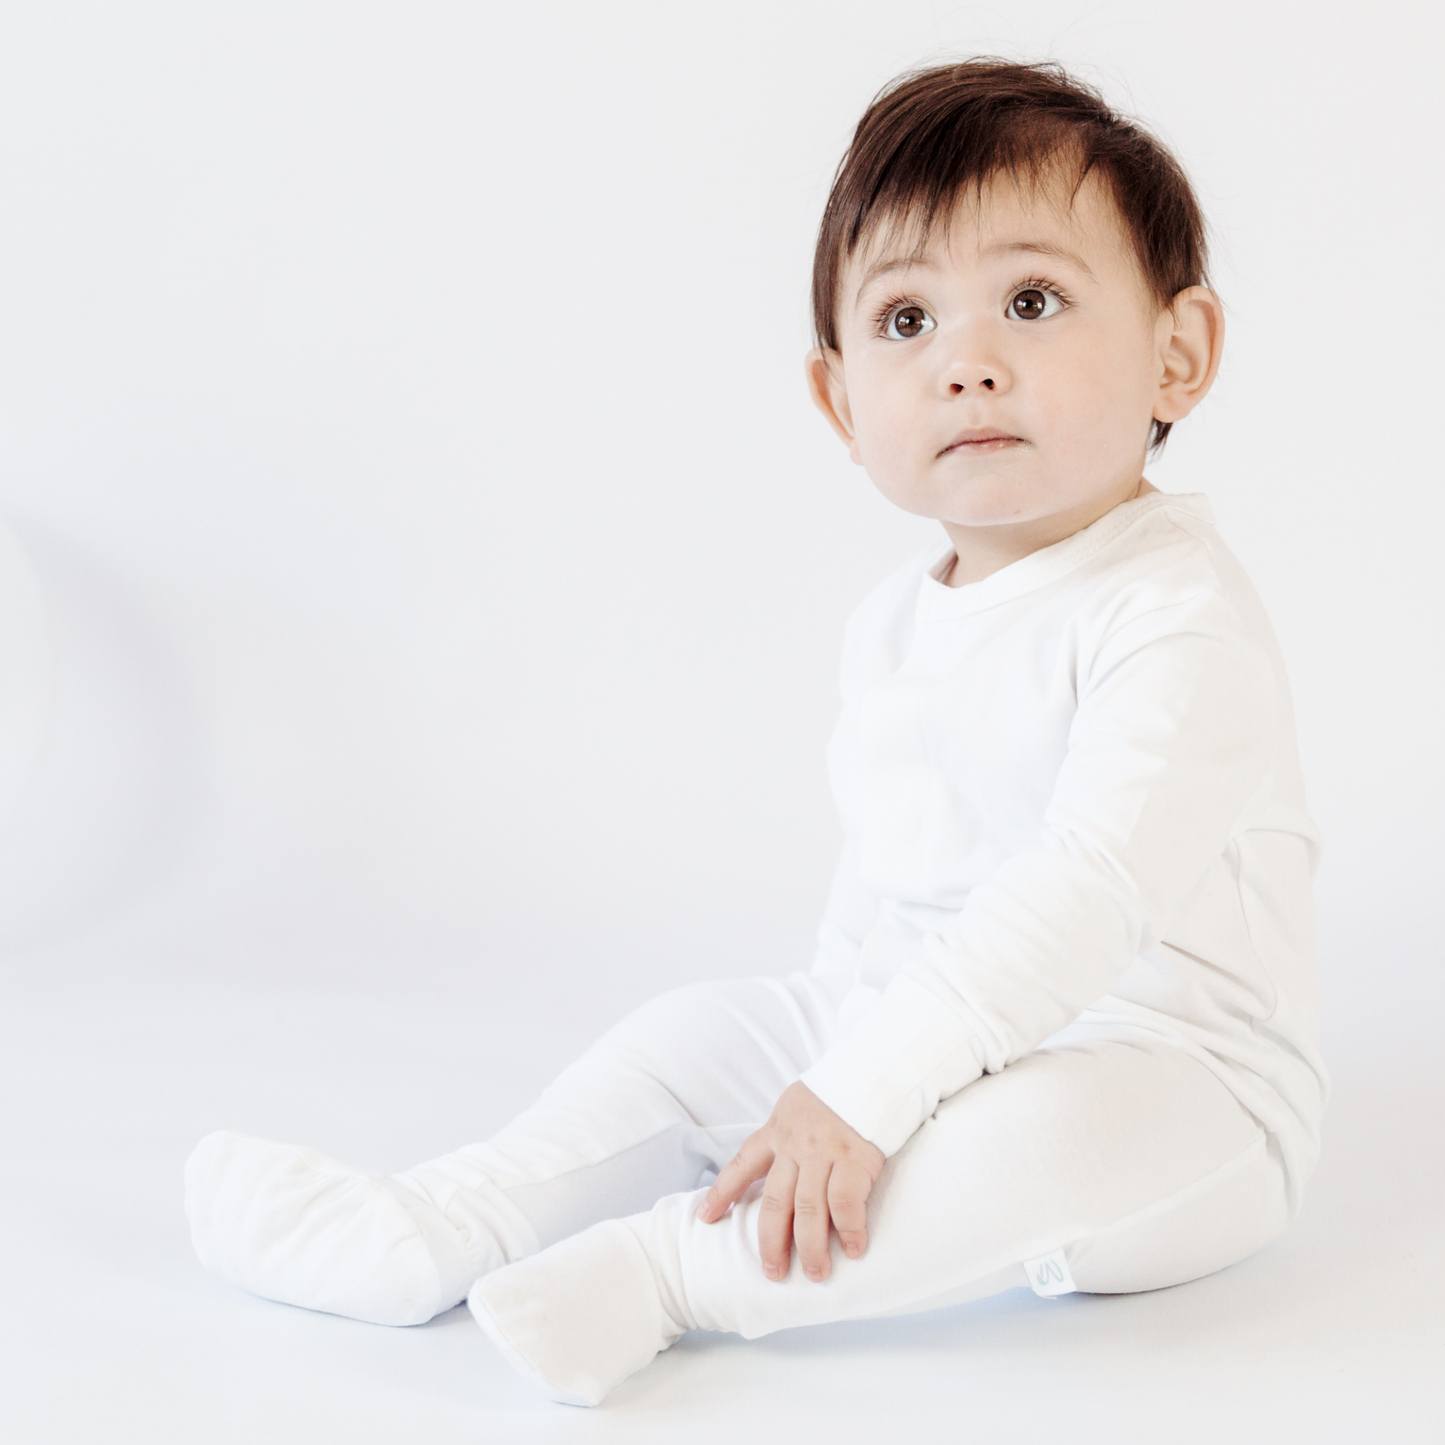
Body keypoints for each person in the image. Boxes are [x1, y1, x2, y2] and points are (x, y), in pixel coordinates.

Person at [185, 59, 1326, 1407]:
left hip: (1177, 1084)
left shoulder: (1172, 617)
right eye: (906, 319)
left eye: (1032, 300)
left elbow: (1083, 893)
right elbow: (884, 902)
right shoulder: (896, 623)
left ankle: (670, 1276)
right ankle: (447, 1216)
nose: (968, 362)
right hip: (918, 1016)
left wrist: (862, 1098)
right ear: (842, 404)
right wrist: (820, 1057)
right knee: (692, 1034)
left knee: (1039, 1142)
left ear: (1177, 353)